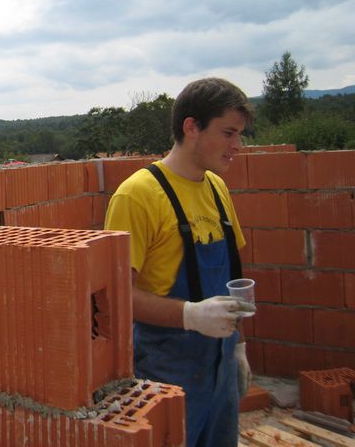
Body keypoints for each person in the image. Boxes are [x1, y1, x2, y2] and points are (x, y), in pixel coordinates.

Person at [104, 77, 255, 447]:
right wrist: (191, 315)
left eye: (240, 135)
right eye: (229, 133)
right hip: (165, 371)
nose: (238, 145)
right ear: (192, 127)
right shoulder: (137, 196)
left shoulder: (216, 187)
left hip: (219, 367)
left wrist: (238, 347)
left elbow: (233, 278)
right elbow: (115, 297)